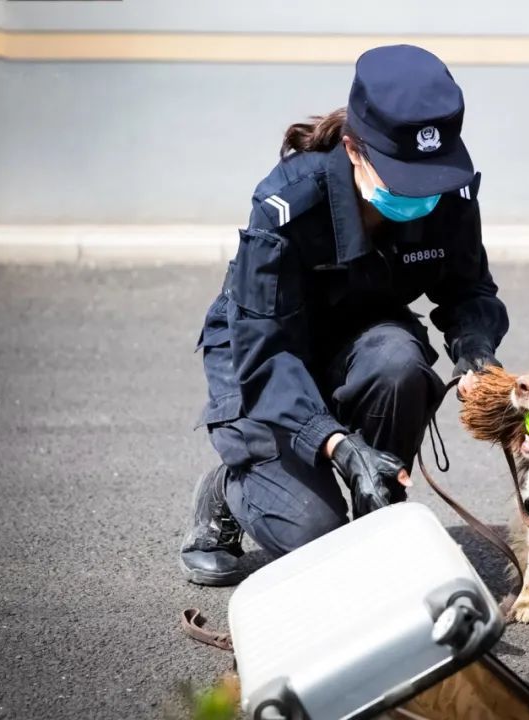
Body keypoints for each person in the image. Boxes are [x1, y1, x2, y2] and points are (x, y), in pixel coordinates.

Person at [180, 45, 509, 585]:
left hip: (362, 338)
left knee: (398, 363)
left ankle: (380, 503)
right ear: (355, 149)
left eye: (428, 179)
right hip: (267, 357)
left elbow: (468, 286)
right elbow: (266, 351)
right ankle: (229, 489)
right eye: (404, 179)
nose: (421, 196)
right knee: (315, 534)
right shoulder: (288, 204)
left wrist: (475, 349)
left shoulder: (448, 187)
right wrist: (338, 444)